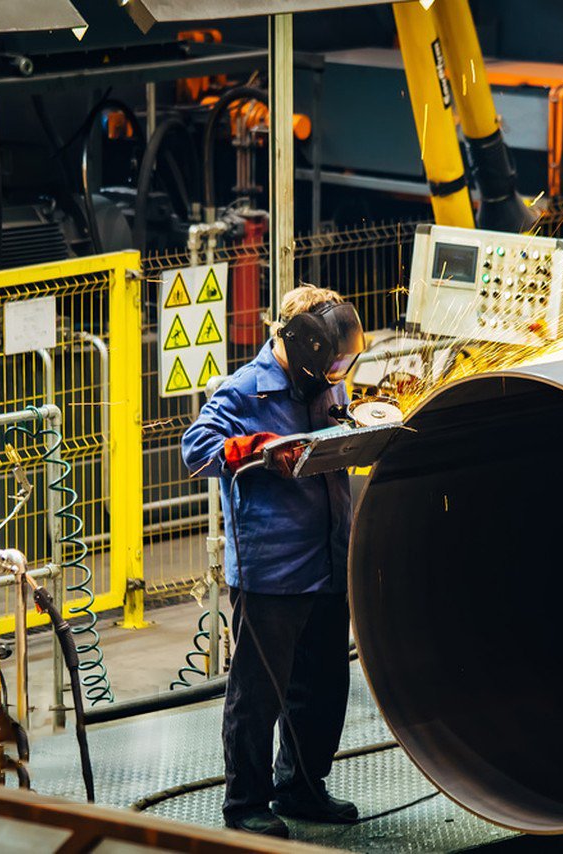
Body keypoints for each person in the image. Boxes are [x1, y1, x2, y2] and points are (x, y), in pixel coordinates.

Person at [181, 285, 366, 838]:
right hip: (272, 574)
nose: (335, 371)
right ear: (301, 342)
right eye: (330, 360)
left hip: (330, 563)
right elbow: (196, 449)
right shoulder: (244, 391)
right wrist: (258, 448)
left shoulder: (320, 384)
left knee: (323, 688)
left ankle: (303, 788)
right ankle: (246, 804)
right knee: (259, 694)